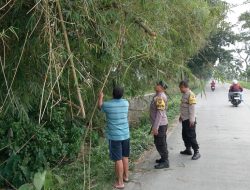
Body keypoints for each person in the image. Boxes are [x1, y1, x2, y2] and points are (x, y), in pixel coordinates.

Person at [98, 86, 130, 189]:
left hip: (115, 137)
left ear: (112, 94)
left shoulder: (108, 105)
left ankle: (120, 183)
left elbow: (100, 107)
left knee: (118, 159)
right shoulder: (126, 103)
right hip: (126, 134)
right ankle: (126, 176)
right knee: (125, 156)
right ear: (122, 94)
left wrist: (100, 97)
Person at [150, 80, 169, 169]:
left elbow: (160, 113)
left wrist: (155, 127)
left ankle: (165, 161)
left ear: (161, 87)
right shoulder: (157, 95)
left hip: (160, 124)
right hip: (160, 124)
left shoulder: (160, 97)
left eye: (157, 84)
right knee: (160, 142)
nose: (155, 85)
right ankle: (163, 158)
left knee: (161, 143)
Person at [179, 80, 201, 160]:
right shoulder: (184, 94)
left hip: (189, 120)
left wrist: (192, 120)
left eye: (180, 88)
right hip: (184, 118)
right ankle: (188, 149)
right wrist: (181, 116)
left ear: (184, 86)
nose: (180, 90)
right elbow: (184, 107)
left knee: (191, 136)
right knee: (184, 135)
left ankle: (197, 152)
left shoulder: (191, 95)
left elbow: (192, 109)